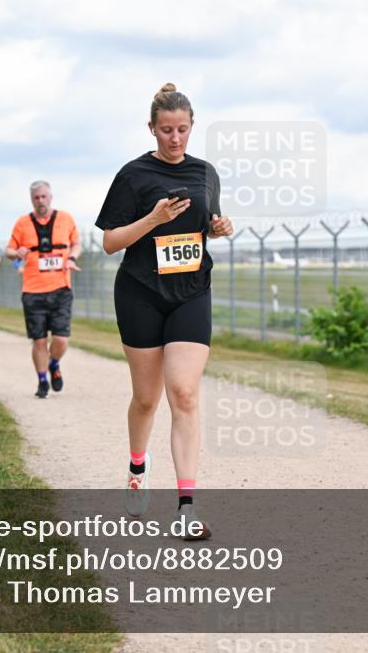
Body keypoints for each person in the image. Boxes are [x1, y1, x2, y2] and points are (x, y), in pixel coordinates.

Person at [96, 83, 233, 539]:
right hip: (140, 293)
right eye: (166, 130)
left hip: (191, 291)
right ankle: (137, 465)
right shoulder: (133, 175)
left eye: (183, 130)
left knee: (185, 394)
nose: (175, 139)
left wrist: (219, 227)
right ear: (151, 129)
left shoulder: (206, 173)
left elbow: (203, 226)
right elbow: (111, 242)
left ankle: (187, 508)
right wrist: (153, 219)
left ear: (192, 127)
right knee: (148, 398)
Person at [6, 181, 82, 398]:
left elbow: (77, 243)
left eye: (43, 196)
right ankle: (42, 381)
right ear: (32, 199)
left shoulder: (66, 219)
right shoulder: (22, 223)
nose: (40, 201)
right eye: (36, 197)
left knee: (60, 339)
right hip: (33, 290)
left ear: (51, 196)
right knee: (39, 340)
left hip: (61, 288)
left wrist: (71, 258)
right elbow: (9, 250)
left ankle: (54, 363)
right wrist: (16, 253)